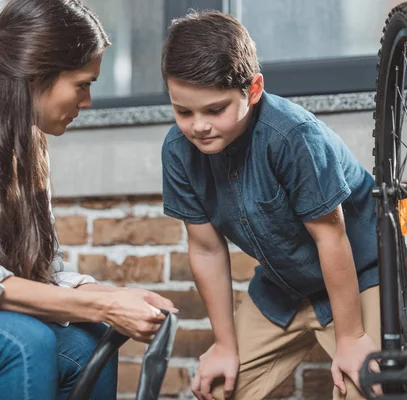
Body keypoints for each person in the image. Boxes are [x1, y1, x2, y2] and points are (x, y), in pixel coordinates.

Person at [0, 1, 177, 399]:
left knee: (88, 345)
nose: (87, 102)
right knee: (25, 342)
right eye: (83, 84)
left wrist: (114, 298)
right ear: (37, 77)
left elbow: (45, 274)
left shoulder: (21, 137)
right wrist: (102, 308)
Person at [160, 10, 380, 400]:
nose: (198, 126)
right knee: (218, 388)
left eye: (215, 110)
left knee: (368, 387)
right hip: (283, 288)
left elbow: (331, 237)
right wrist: (225, 345)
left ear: (254, 89)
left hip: (358, 276)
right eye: (183, 112)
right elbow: (207, 248)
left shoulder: (294, 136)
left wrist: (352, 338)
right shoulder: (179, 152)